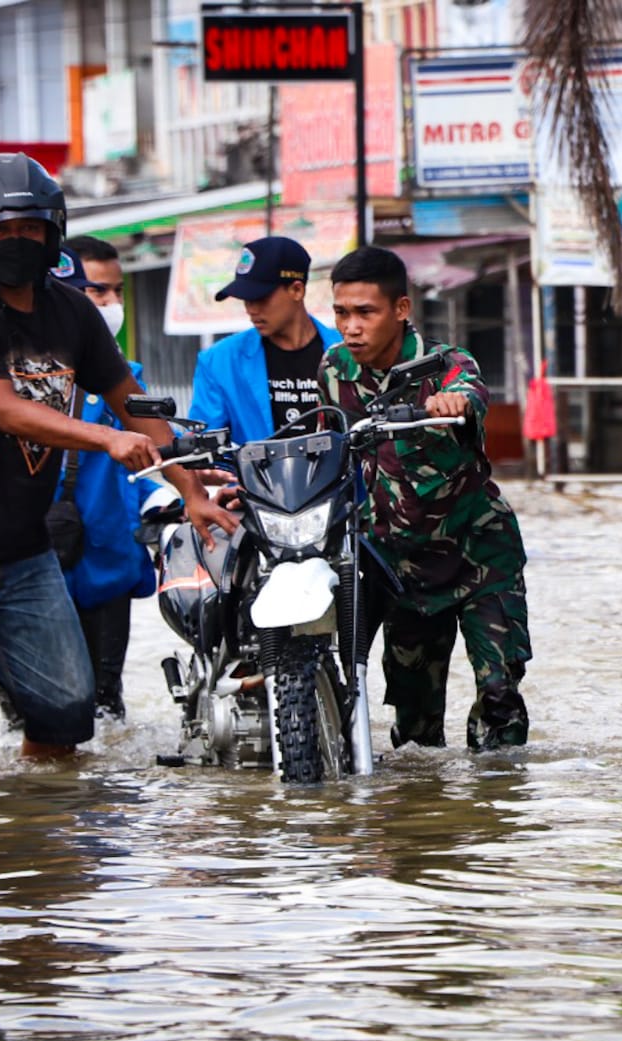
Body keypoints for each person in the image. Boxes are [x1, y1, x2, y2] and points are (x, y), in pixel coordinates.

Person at [0, 152, 238, 776]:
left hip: (24, 549)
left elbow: (133, 408)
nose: (16, 241)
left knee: (68, 712)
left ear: (52, 232)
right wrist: (101, 440)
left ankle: (42, 844)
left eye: (29, 228)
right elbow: (5, 410)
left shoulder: (72, 311)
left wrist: (188, 488)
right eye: (0, 230)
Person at [318, 244, 531, 751]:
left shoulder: (447, 365)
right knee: (415, 730)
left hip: (479, 557)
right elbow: (326, 452)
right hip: (401, 568)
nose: (352, 327)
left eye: (365, 313)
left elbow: (471, 392)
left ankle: (499, 813)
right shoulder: (333, 371)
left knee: (500, 696)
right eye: (342, 313)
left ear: (400, 309)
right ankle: (423, 824)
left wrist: (453, 402)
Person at [44, 238, 156, 721]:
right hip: (31, 565)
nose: (111, 305)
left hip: (108, 559)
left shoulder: (125, 381)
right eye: (97, 292)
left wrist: (169, 498)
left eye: (116, 292)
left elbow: (156, 455)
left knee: (106, 709)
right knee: (34, 709)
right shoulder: (10, 379)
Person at [187, 235, 342, 444]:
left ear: (297, 290)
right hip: (255, 477)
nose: (251, 309)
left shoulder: (346, 353)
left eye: (260, 298)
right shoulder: (219, 362)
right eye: (246, 300)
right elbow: (203, 440)